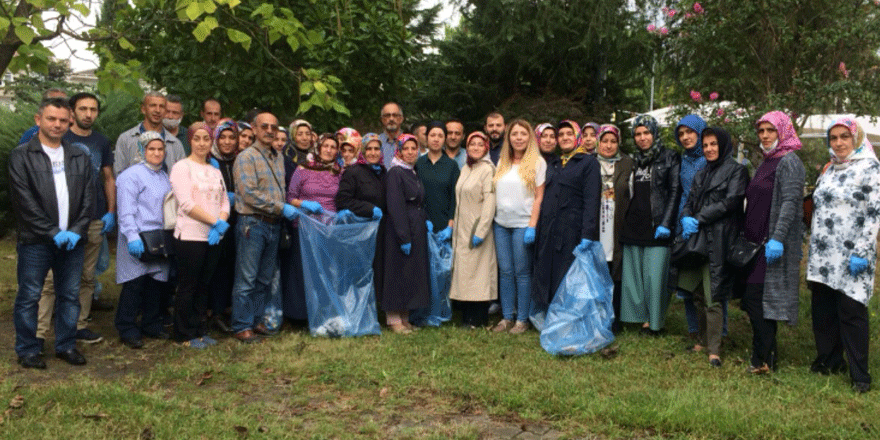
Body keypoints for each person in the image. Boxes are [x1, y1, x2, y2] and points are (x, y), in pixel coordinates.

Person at [9, 97, 93, 368]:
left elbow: (88, 199)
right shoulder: (22, 155)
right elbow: (23, 202)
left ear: (69, 123)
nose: (57, 125)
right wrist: (52, 231)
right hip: (37, 241)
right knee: (29, 295)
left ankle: (66, 346)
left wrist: (77, 231)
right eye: (51, 119)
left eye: (62, 120)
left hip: (73, 242)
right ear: (38, 120)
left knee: (69, 295)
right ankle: (28, 349)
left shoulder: (79, 155)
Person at [807, 117, 880, 393]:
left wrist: (862, 251)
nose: (838, 143)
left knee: (851, 311)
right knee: (823, 309)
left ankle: (860, 374)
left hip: (853, 254)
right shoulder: (829, 169)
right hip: (824, 254)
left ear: (856, 138)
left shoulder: (870, 168)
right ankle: (829, 360)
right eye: (833, 138)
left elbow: (875, 212)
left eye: (844, 137)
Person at [35, 92, 114, 347]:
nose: (88, 114)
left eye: (93, 109)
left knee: (86, 277)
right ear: (72, 112)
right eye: (83, 109)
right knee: (49, 280)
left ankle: (79, 324)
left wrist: (110, 211)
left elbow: (108, 177)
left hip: (91, 219)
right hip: (59, 221)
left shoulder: (101, 142)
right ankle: (39, 331)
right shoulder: (59, 137)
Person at [740, 111, 805, 374]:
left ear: (783, 131)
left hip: (772, 245)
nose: (765, 136)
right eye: (761, 131)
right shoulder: (766, 161)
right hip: (755, 244)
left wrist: (777, 239)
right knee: (757, 301)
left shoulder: (790, 162)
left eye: (770, 130)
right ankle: (767, 356)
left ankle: (763, 358)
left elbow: (790, 202)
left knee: (758, 300)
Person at [678, 127, 748, 368]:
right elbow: (689, 201)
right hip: (696, 240)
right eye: (706, 145)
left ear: (724, 145)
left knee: (713, 294)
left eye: (713, 144)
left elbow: (730, 202)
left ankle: (715, 350)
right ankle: (702, 340)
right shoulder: (701, 172)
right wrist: (686, 216)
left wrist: (699, 217)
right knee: (696, 291)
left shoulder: (737, 171)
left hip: (719, 239)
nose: (709, 149)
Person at [231, 111, 300, 343]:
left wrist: (284, 208)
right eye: (264, 126)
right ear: (254, 128)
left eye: (273, 127)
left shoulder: (278, 156)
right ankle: (241, 325)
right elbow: (249, 194)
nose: (269, 131)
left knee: (264, 278)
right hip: (253, 223)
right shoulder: (246, 157)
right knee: (247, 278)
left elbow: (280, 190)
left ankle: (255, 320)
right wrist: (281, 207)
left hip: (273, 225)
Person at [618, 115, 681, 335]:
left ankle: (655, 323)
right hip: (634, 225)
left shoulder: (669, 157)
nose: (642, 138)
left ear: (654, 133)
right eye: (638, 134)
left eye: (646, 133)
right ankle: (640, 318)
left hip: (657, 226)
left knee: (655, 279)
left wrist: (666, 222)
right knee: (634, 278)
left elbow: (675, 191)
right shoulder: (633, 160)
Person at [169, 123, 230, 348]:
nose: (202, 143)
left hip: (213, 236)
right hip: (191, 236)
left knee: (205, 284)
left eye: (206, 139)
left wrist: (221, 222)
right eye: (197, 139)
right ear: (190, 141)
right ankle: (184, 333)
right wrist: (215, 222)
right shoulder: (181, 167)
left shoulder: (214, 170)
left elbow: (224, 200)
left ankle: (200, 329)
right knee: (188, 285)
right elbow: (186, 203)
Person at [114, 131, 172, 349]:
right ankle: (127, 327)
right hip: (138, 235)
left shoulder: (163, 175)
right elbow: (126, 209)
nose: (156, 153)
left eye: (160, 149)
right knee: (134, 284)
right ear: (142, 150)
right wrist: (131, 235)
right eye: (151, 149)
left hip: (159, 237)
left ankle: (151, 323)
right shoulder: (131, 175)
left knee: (155, 284)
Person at [533, 120, 600, 308]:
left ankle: (569, 316)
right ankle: (550, 313)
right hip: (550, 229)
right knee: (549, 272)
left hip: (573, 230)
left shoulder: (588, 163)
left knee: (569, 275)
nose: (564, 138)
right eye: (560, 135)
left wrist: (587, 234)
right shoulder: (554, 163)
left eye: (568, 134)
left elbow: (592, 200)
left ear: (577, 137)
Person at [492, 121, 546, 333]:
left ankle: (522, 319)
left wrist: (532, 225)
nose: (519, 138)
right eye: (514, 134)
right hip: (501, 225)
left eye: (523, 134)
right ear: (509, 137)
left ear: (529, 137)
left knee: (522, 273)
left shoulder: (537, 162)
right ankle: (506, 317)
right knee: (505, 271)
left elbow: (539, 196)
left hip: (523, 225)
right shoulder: (502, 162)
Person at [285, 134, 342, 320]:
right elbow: (289, 197)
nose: (329, 150)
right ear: (318, 148)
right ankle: (299, 315)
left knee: (324, 271)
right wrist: (304, 204)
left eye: (333, 147)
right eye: (325, 146)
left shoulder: (338, 172)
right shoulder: (302, 170)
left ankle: (323, 311)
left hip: (328, 228)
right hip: (304, 227)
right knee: (303, 270)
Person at [449, 131, 497, 328]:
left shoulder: (487, 170)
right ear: (467, 148)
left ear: (486, 148)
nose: (475, 147)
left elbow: (490, 201)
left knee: (479, 274)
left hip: (477, 228)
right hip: (462, 228)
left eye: (480, 144)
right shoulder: (466, 169)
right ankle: (467, 316)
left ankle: (478, 318)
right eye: (472, 144)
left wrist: (481, 230)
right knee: (465, 273)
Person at [383, 134, 430, 333]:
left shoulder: (413, 171)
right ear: (399, 151)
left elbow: (419, 200)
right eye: (406, 149)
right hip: (400, 229)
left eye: (414, 148)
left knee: (408, 273)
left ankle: (405, 317)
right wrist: (403, 236)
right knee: (397, 272)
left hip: (415, 226)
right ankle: (393, 319)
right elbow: (395, 205)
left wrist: (424, 219)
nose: (411, 152)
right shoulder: (395, 172)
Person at [335, 133, 387, 306]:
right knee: (358, 272)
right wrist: (369, 209)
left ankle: (373, 309)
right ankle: (355, 310)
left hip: (379, 230)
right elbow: (343, 200)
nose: (373, 152)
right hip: (359, 231)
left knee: (376, 270)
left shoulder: (383, 172)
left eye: (376, 148)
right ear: (362, 151)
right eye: (369, 149)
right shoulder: (354, 171)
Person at [673, 114, 712, 339]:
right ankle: (693, 330)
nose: (686, 137)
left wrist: (699, 218)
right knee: (686, 283)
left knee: (708, 285)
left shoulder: (708, 158)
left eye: (690, 132)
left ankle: (718, 332)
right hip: (683, 223)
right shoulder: (683, 160)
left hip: (705, 224)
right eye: (681, 134)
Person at [595, 124, 633, 331]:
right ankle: (597, 317)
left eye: (613, 141)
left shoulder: (627, 163)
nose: (608, 146)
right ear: (598, 142)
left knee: (616, 272)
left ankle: (614, 319)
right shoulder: (591, 163)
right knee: (597, 272)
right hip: (596, 226)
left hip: (617, 225)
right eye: (605, 141)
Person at [207, 120, 239, 332]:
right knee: (215, 268)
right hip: (213, 221)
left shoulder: (239, 160)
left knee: (231, 265)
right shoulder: (209, 160)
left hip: (237, 220)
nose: (227, 142)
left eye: (231, 137)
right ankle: (214, 312)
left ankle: (227, 309)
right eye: (223, 137)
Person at [113, 92, 185, 175]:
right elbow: (119, 173)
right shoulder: (126, 139)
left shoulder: (175, 144)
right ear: (143, 109)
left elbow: (182, 177)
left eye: (161, 106)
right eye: (153, 105)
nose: (157, 110)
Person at [416, 121, 459, 239]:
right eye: (432, 135)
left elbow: (455, 198)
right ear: (426, 138)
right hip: (421, 224)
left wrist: (450, 226)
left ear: (445, 139)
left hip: (444, 225)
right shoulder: (418, 163)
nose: (436, 139)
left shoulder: (452, 165)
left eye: (440, 136)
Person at [379, 102, 405, 169]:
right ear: (382, 119)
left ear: (401, 119)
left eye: (395, 115)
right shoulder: (376, 142)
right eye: (387, 115)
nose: (391, 119)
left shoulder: (410, 142)